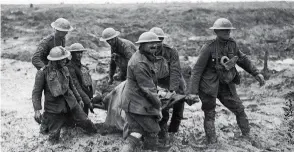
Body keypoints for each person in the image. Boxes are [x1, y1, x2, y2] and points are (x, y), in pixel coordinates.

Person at [186, 18, 265, 144]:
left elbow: (242, 59)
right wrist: (192, 92)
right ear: (216, 31)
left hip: (226, 84)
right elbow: (197, 70)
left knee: (239, 108)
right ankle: (212, 142)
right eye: (223, 30)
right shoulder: (208, 47)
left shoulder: (232, 44)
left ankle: (247, 136)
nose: (227, 32)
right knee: (210, 114)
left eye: (228, 30)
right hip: (208, 85)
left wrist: (256, 73)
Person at [32, 46, 97, 144]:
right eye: (62, 59)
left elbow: (72, 86)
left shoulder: (65, 69)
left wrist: (79, 99)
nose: (65, 60)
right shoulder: (42, 73)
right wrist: (37, 110)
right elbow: (36, 93)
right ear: (55, 61)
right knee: (53, 139)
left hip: (72, 104)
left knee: (87, 123)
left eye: (65, 58)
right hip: (54, 109)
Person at [120, 32, 166, 152]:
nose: (154, 45)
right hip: (137, 103)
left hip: (133, 101)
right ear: (142, 45)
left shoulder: (145, 57)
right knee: (153, 131)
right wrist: (158, 107)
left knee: (136, 132)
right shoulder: (140, 63)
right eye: (150, 43)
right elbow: (148, 89)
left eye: (155, 43)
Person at [150, 27, 187, 144]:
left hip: (174, 81)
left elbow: (175, 71)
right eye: (155, 41)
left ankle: (173, 132)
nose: (158, 44)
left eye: (160, 40)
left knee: (178, 109)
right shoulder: (145, 52)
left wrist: (172, 90)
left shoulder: (171, 52)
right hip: (158, 82)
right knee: (162, 108)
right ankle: (163, 132)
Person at [66, 43, 95, 115]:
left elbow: (88, 84)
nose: (80, 55)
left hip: (85, 97)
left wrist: (90, 98)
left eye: (81, 52)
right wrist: (88, 101)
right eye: (77, 53)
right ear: (72, 54)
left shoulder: (83, 67)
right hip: (77, 99)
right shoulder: (70, 68)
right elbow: (76, 86)